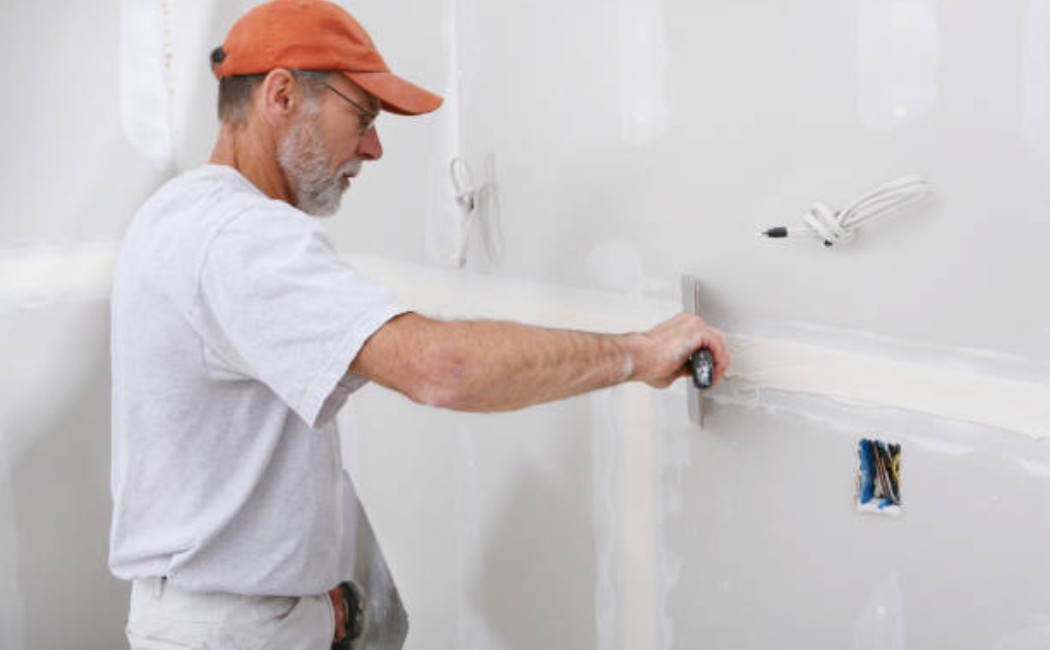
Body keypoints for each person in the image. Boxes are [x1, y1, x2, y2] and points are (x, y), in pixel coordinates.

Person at [108, 1, 730, 649]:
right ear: (282, 96)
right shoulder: (244, 238)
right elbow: (445, 369)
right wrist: (637, 353)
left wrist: (327, 614)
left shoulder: (178, 213)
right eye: (364, 118)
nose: (373, 148)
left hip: (227, 616)